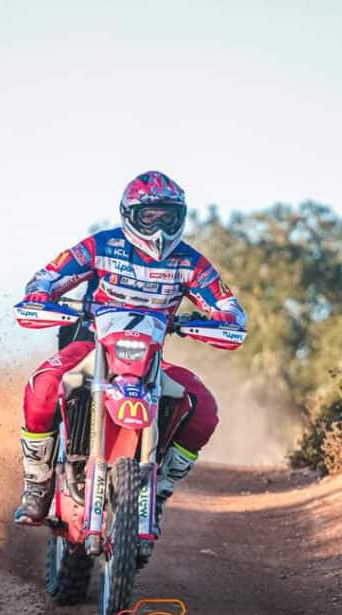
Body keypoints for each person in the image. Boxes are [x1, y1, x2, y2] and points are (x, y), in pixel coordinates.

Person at [13, 170, 246, 533]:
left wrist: (222, 319)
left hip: (148, 359)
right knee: (42, 387)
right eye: (149, 216)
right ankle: (37, 484)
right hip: (92, 346)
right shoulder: (101, 246)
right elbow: (47, 275)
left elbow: (228, 306)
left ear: (181, 217)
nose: (159, 228)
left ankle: (159, 492)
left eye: (168, 217)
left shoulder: (190, 263)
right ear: (129, 215)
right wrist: (41, 295)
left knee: (204, 411)